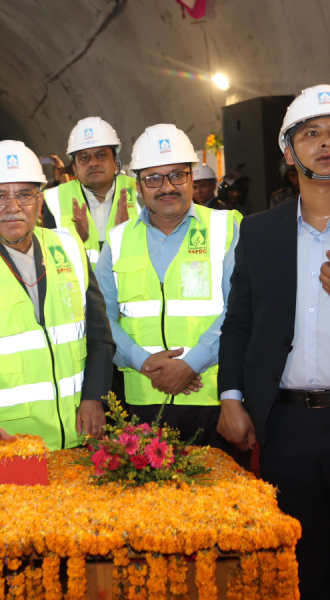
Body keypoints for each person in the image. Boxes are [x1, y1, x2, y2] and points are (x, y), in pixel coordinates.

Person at [217, 84, 330, 600]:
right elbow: (238, 322)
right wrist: (232, 397)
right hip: (288, 424)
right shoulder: (260, 233)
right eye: (311, 134)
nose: (325, 142)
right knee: (300, 557)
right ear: (289, 152)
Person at [0, 141, 115, 456]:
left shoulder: (69, 248)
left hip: (79, 435)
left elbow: (100, 335)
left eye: (24, 194)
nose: (13, 206)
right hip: (7, 443)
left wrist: (94, 398)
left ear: (39, 200)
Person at [95, 124, 241, 457]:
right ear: (138, 186)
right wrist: (144, 362)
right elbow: (102, 321)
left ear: (192, 177)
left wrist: (191, 365)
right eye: (154, 178)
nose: (167, 187)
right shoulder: (115, 243)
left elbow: (238, 310)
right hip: (141, 404)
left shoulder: (225, 229)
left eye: (177, 174)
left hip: (213, 398)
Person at [42, 117, 138, 265]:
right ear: (74, 168)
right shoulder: (55, 200)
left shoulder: (140, 191)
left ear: (115, 162)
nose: (93, 162)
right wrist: (76, 240)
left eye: (101, 155)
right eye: (84, 158)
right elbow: (52, 262)